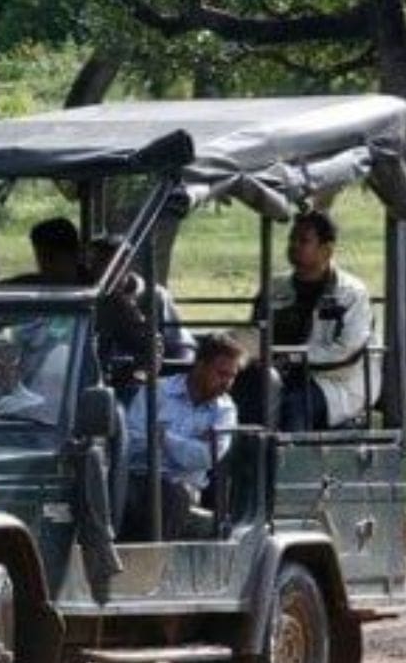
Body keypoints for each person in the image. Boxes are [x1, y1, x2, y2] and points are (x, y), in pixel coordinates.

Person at [255, 209, 375, 431]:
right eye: (292, 239)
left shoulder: (351, 293)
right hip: (281, 374)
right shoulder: (275, 288)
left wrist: (292, 358)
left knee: (294, 405)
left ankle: (289, 462)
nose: (293, 246)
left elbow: (347, 349)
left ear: (327, 250)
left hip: (336, 382)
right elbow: (255, 332)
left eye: (303, 240)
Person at [121, 334, 245, 540]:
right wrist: (187, 446)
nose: (227, 383)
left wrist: (164, 438)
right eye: (222, 374)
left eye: (232, 376)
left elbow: (206, 457)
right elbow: (132, 444)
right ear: (200, 365)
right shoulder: (156, 392)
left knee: (172, 496)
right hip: (140, 479)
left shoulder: (225, 410)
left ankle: (154, 566)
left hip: (184, 490)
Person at [89, 234, 196, 367]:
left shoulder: (156, 296)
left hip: (141, 379)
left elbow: (181, 348)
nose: (99, 270)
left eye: (106, 263)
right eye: (95, 263)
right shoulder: (88, 298)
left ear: (125, 263)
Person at [0, 217, 84, 286]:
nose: (45, 265)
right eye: (41, 257)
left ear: (74, 254)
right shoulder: (33, 284)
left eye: (51, 257)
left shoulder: (91, 288)